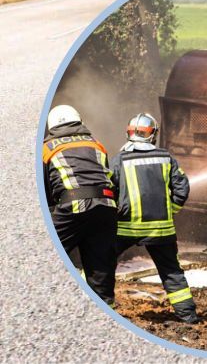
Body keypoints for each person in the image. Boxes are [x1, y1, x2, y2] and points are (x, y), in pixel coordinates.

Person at [110, 113, 199, 324]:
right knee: (171, 271)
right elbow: (182, 188)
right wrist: (170, 210)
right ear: (153, 135)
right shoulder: (166, 158)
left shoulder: (119, 160)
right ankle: (188, 316)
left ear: (129, 133)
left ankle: (99, 306)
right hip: (161, 230)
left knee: (101, 263)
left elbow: (108, 191)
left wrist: (115, 212)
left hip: (126, 228)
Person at [42, 105, 118, 307]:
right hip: (107, 206)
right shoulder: (96, 144)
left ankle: (50, 303)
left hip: (73, 204)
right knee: (100, 267)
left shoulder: (47, 148)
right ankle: (104, 308)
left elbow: (45, 191)